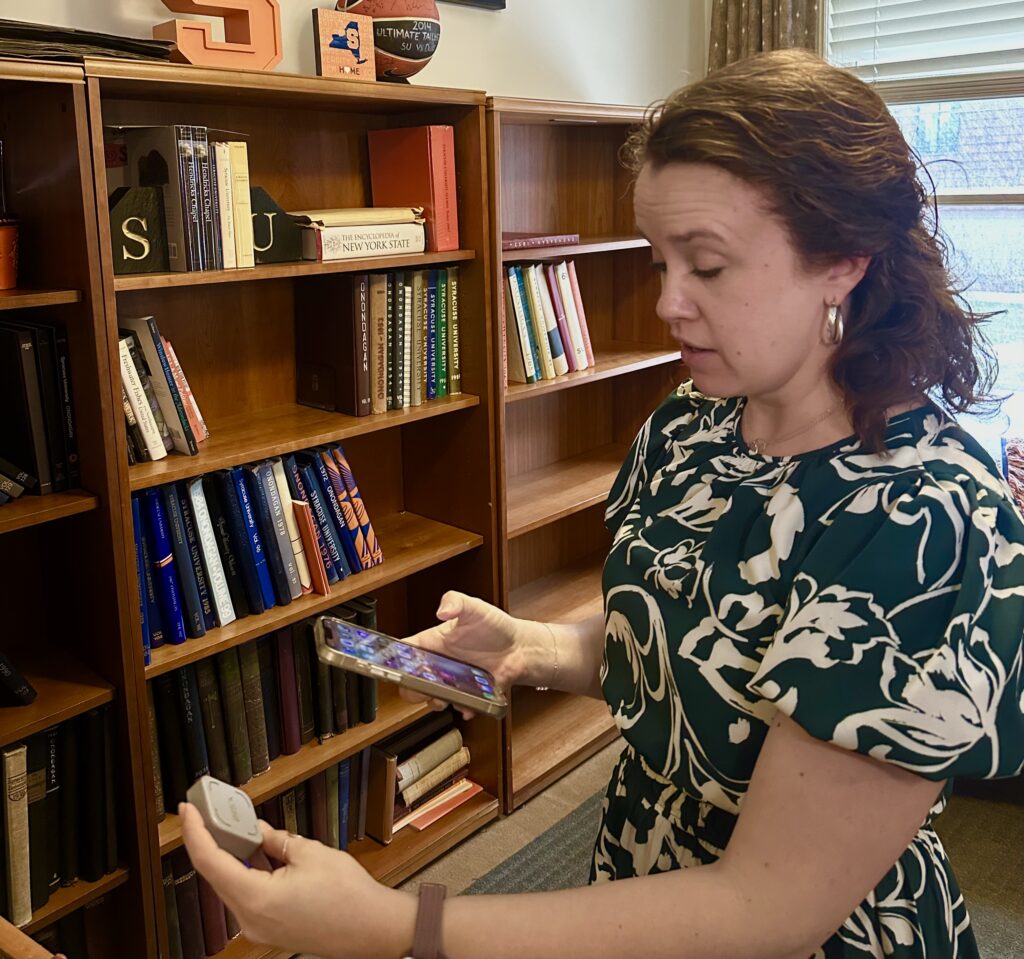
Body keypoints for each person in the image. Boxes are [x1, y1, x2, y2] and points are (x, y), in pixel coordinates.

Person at [180, 49, 1024, 959]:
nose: (666, 302)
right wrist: (535, 647)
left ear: (843, 262)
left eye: (707, 266)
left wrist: (396, 926)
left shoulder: (930, 522)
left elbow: (765, 909)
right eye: (661, 260)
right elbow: (681, 634)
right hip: (635, 885)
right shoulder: (697, 421)